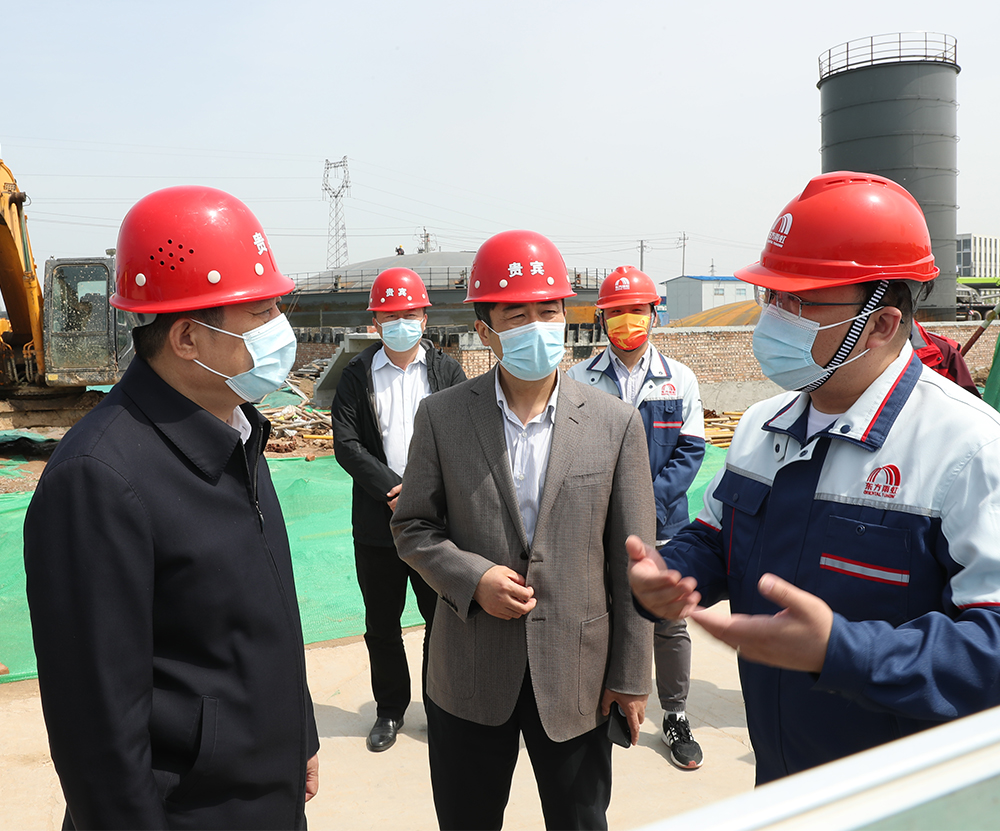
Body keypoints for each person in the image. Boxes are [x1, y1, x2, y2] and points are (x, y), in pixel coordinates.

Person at [627, 171, 1000, 786]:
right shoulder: (760, 425)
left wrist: (843, 652)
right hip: (782, 779)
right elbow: (718, 536)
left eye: (800, 301)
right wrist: (674, 571)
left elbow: (990, 648)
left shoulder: (968, 449)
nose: (775, 316)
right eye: (772, 295)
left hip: (902, 799)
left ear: (881, 324)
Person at [23, 185, 320, 829]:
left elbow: (264, 612)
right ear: (187, 337)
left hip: (264, 794)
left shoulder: (237, 428)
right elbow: (97, 732)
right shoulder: (98, 479)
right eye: (261, 312)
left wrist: (299, 731)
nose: (282, 331)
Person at [391, 230, 655, 831]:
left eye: (549, 311)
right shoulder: (442, 417)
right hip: (471, 670)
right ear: (485, 330)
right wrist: (473, 578)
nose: (538, 326)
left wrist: (630, 675)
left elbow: (633, 563)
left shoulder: (614, 423)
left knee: (580, 820)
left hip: (577, 674)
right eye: (517, 315)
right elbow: (413, 526)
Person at [568, 265, 706, 769]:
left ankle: (675, 714)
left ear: (654, 314)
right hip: (598, 527)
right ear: (601, 319)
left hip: (664, 528)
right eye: (617, 312)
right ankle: (598, 707)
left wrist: (642, 506)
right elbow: (572, 454)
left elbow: (690, 452)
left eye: (637, 310)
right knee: (600, 616)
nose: (628, 320)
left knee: (668, 624)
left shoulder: (679, 380)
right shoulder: (579, 379)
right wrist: (612, 509)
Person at [330, 267, 466, 753]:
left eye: (409, 313)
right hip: (377, 521)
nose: (400, 323)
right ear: (376, 322)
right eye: (390, 316)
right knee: (382, 623)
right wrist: (393, 488)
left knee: (439, 621)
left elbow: (464, 436)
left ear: (424, 318)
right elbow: (346, 443)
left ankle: (438, 705)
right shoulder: (356, 374)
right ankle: (390, 709)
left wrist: (425, 491)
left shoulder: (447, 372)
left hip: (435, 522)